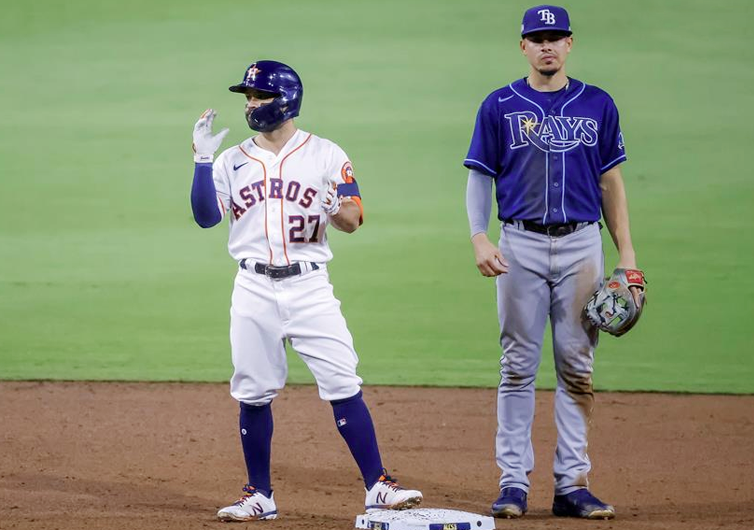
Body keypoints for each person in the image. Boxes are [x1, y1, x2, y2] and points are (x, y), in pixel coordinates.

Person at [190, 60, 422, 522]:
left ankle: (378, 486)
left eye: (259, 97)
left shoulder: (326, 154)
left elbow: (353, 220)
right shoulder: (231, 160)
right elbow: (204, 217)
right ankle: (260, 495)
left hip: (310, 285)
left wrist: (335, 206)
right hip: (252, 286)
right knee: (253, 391)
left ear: (286, 101)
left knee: (342, 381)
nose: (251, 105)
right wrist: (200, 162)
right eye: (248, 98)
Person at [464, 5, 642, 520]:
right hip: (517, 244)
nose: (547, 46)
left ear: (570, 43)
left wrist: (626, 255)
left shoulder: (598, 104)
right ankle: (513, 484)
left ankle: (572, 485)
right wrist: (479, 237)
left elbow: (611, 182)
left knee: (577, 368)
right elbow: (480, 177)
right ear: (523, 46)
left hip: (582, 245)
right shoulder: (499, 105)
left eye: (555, 37)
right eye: (537, 38)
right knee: (517, 367)